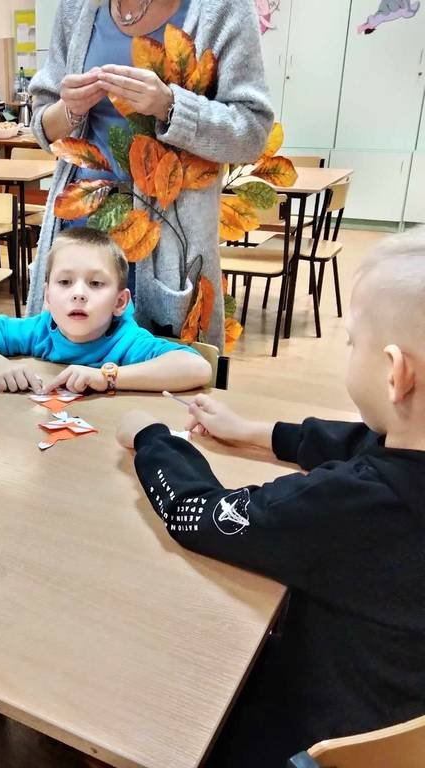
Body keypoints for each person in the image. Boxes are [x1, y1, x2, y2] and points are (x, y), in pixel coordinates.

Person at [115, 229, 425, 766]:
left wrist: (151, 438)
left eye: (353, 342)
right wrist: (254, 432)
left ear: (395, 373)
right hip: (397, 707)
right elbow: (360, 441)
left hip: (318, 733)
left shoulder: (353, 504)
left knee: (146, 687)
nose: (349, 351)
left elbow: (198, 516)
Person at [28, 0, 274, 349]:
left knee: (159, 371)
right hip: (78, 234)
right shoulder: (76, 8)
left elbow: (252, 133)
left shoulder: (223, 8)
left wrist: (170, 106)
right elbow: (42, 125)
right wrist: (70, 109)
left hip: (169, 242)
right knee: (64, 368)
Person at [0, 227, 210, 393]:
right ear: (48, 296)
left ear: (120, 302)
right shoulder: (39, 329)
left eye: (95, 283)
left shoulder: (127, 340)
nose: (78, 293)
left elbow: (197, 368)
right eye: (64, 282)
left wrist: (108, 377)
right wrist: (0, 366)